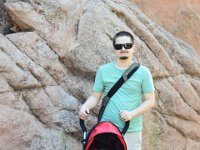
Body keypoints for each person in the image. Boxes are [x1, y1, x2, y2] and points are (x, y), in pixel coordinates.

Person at [79, 31, 155, 150]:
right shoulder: (103, 70)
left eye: (127, 45)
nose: (123, 48)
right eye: (119, 46)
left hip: (131, 131)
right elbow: (95, 97)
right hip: (106, 131)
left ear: (133, 48)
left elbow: (150, 101)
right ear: (114, 49)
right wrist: (85, 106)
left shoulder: (143, 72)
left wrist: (132, 114)